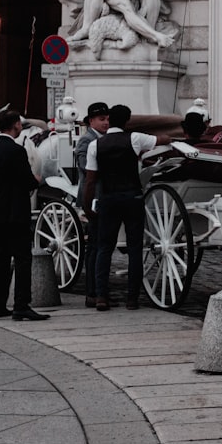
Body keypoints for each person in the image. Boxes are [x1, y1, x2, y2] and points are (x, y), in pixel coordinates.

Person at [82, 104, 171, 311]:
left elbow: (90, 181)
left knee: (104, 248)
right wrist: (168, 139)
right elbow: (162, 140)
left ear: (110, 120)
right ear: (127, 121)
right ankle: (132, 298)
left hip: (108, 199)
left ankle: (102, 296)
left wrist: (87, 206)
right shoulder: (135, 138)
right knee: (134, 249)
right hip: (132, 197)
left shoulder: (96, 145)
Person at [0, 110, 48, 321]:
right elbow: (27, 181)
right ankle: (21, 305)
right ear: (15, 126)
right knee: (22, 258)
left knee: (0, 258)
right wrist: (36, 179)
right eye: (20, 124)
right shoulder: (16, 151)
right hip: (15, 211)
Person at [74, 102, 109, 308]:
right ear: (91, 121)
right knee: (94, 246)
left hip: (105, 196)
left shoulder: (105, 138)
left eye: (107, 119)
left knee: (101, 245)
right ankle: (91, 292)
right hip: (94, 197)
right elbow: (87, 171)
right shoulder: (86, 141)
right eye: (101, 119)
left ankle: (99, 289)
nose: (106, 123)